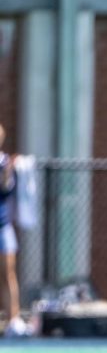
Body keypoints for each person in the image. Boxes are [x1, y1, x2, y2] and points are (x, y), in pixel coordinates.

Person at [0, 123, 29, 337]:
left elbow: (5, 187)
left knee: (8, 274)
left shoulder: (5, 164)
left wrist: (9, 170)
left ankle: (14, 320)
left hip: (3, 227)